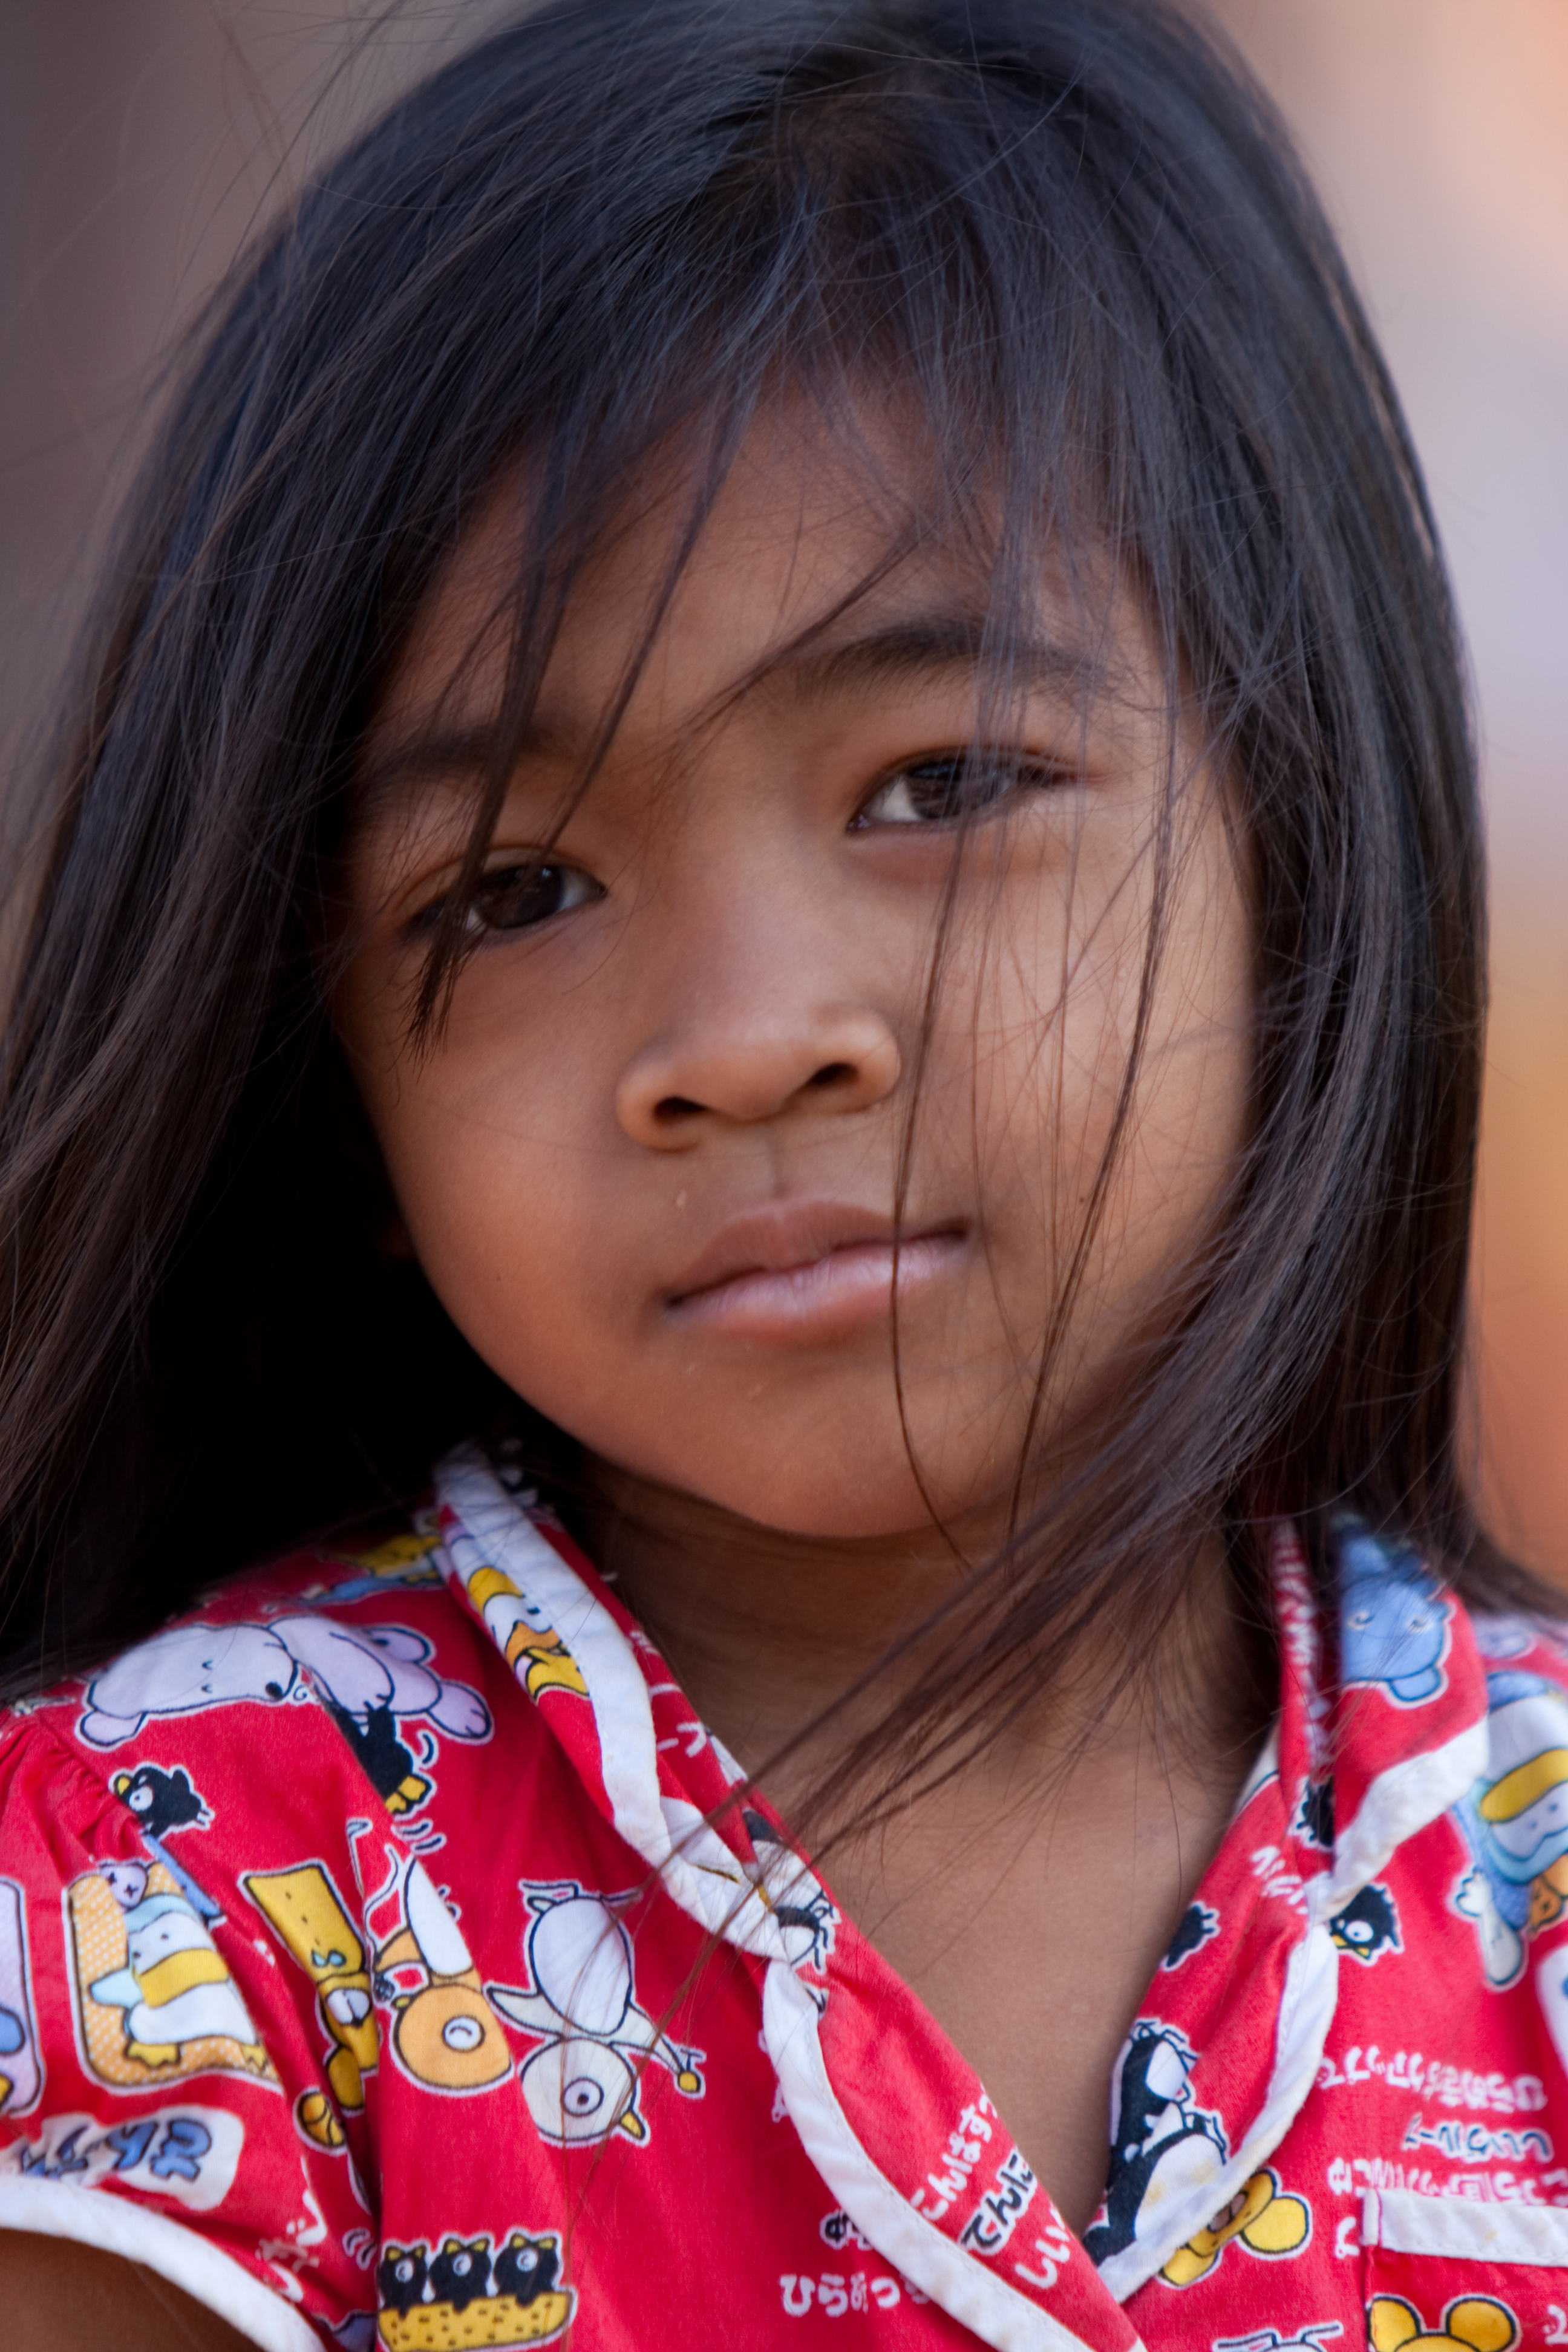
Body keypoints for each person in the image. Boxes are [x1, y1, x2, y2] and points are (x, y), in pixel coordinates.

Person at [1, 1, 1565, 2345]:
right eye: (512, 891)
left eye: (939, 783)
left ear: (1295, 824)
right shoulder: (169, 1904)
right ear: (327, 1052)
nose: (744, 1042)